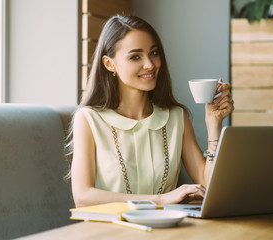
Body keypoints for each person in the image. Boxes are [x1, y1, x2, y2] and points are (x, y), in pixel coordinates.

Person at [66, 15, 234, 208]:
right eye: (135, 56)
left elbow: (208, 188)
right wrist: (160, 199)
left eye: (154, 53)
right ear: (109, 64)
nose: (150, 64)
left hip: (165, 232)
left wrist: (214, 126)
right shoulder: (88, 119)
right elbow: (82, 197)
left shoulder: (176, 117)